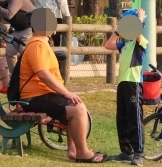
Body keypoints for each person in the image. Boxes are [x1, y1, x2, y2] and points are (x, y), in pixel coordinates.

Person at [19, 11, 104, 163]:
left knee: (76, 104)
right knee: (77, 109)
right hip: (33, 98)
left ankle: (74, 150)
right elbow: (43, 74)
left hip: (42, 95)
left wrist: (66, 94)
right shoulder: (37, 44)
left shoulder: (41, 43)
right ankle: (83, 153)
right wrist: (66, 93)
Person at [104, 9, 148, 166]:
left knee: (134, 119)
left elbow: (137, 33)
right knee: (121, 118)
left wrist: (140, 19)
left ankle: (139, 153)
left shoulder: (140, 43)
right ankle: (126, 151)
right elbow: (107, 45)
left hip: (133, 84)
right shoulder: (125, 44)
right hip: (122, 84)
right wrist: (117, 31)